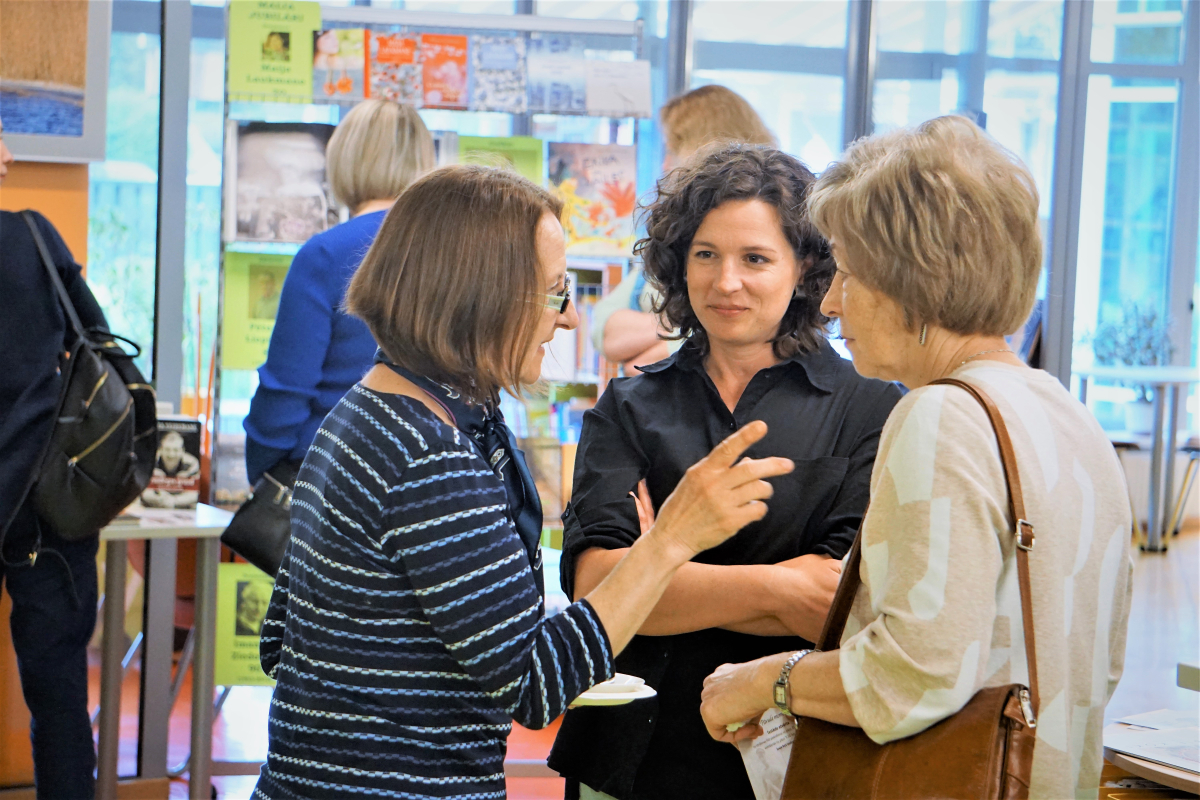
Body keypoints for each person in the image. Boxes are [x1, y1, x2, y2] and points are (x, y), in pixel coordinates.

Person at [252, 164, 797, 800]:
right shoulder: (431, 453)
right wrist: (672, 539)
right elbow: (535, 684)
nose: (565, 321)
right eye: (552, 293)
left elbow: (280, 638)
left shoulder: (367, 412)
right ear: (480, 296)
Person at [697, 116, 1134, 800]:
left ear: (910, 279)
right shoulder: (1066, 416)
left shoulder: (940, 415)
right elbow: (1097, 661)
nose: (833, 302)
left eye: (848, 272)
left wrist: (763, 681)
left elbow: (910, 674)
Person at [548, 145, 902, 800]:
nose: (725, 281)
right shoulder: (629, 407)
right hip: (630, 752)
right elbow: (597, 587)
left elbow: (837, 603)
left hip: (788, 748)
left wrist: (659, 566)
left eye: (756, 259)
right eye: (705, 254)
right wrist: (777, 587)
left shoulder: (872, 408)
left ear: (806, 269)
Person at [243, 98, 435, 487]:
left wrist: (263, 473)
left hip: (330, 478)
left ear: (344, 162)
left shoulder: (325, 254)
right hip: (430, 475)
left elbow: (285, 391)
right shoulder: (456, 253)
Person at [0, 118, 103, 799]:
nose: (8, 157)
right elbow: (98, 341)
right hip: (43, 498)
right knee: (58, 693)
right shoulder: (33, 237)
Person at [594, 85, 777, 374]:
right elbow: (606, 330)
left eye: (672, 149)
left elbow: (639, 366)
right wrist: (680, 327)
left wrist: (663, 336)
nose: (665, 164)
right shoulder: (673, 234)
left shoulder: (777, 217)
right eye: (705, 255)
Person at [140, 431, 201, 509]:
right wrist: (161, 500)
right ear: (160, 450)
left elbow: (194, 494)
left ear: (182, 451)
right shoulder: (151, 461)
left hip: (182, 508)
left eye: (175, 450)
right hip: (153, 507)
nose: (171, 455)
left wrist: (173, 501)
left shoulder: (192, 463)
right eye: (167, 449)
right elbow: (143, 492)